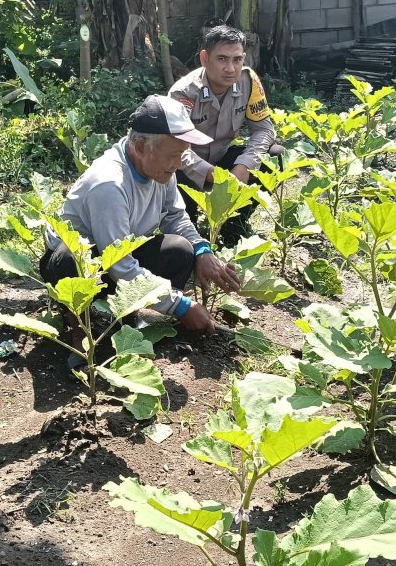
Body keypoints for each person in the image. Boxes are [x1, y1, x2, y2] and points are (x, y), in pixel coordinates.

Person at [39, 95, 241, 340]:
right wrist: (182, 306)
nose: (178, 164)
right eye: (173, 155)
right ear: (142, 147)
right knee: (71, 259)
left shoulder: (160, 167)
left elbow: (175, 216)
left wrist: (202, 251)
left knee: (181, 250)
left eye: (181, 154)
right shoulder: (109, 184)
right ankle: (80, 334)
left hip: (120, 258)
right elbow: (119, 264)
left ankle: (128, 317)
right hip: (84, 268)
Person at [168, 24, 276, 193]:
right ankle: (188, 217)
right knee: (174, 169)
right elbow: (175, 147)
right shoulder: (183, 94)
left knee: (276, 155)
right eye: (222, 59)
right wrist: (213, 175)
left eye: (237, 59)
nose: (230, 69)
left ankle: (235, 219)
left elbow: (264, 130)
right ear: (205, 58)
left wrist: (244, 165)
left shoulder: (249, 81)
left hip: (223, 158)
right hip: (190, 168)